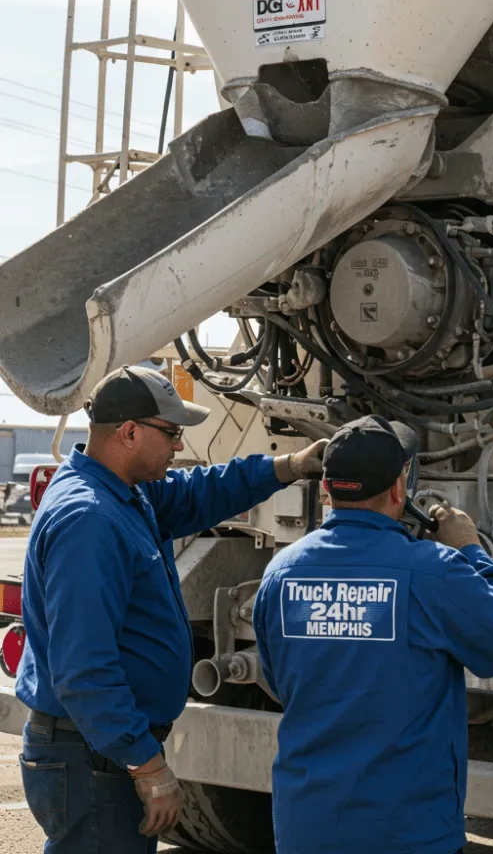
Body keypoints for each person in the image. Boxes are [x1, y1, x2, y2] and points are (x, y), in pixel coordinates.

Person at [16, 365, 326, 853]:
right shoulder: (90, 521)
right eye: (172, 433)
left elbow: (202, 490)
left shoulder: (124, 492)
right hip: (92, 755)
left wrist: (290, 466)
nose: (179, 447)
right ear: (130, 432)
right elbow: (84, 670)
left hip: (99, 748)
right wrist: (148, 765)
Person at [252, 414, 493, 854]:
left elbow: (278, 681)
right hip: (407, 832)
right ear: (399, 490)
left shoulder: (281, 572)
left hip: (306, 828)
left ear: (327, 490)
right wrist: (472, 550)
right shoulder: (432, 571)